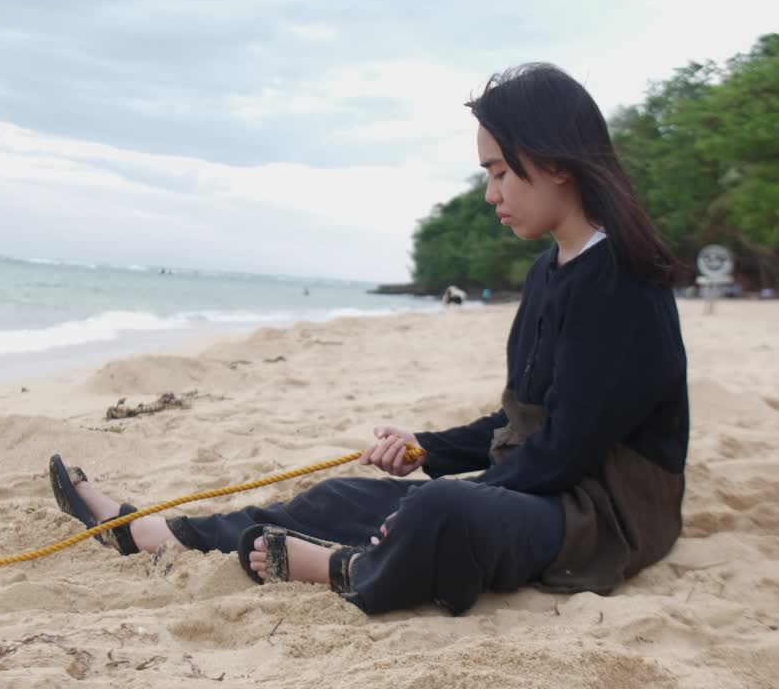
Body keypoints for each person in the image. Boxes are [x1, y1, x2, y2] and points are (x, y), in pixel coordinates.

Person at [49, 63, 689, 616]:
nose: (491, 193)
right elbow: (520, 422)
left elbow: (564, 452)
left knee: (439, 511)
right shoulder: (550, 271)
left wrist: (441, 491)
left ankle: (344, 569)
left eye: (499, 172)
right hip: (547, 487)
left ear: (554, 163)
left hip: (604, 517)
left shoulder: (620, 282)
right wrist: (423, 450)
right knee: (344, 494)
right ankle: (151, 532)